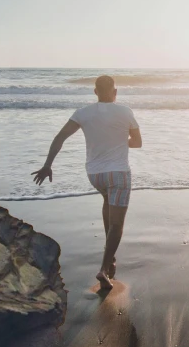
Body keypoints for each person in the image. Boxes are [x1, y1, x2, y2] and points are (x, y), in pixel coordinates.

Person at [32, 75, 142, 289]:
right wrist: (118, 141)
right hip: (118, 173)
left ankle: (110, 258)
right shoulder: (125, 111)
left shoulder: (82, 113)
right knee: (117, 223)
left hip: (95, 174)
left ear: (95, 92)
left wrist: (47, 165)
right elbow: (137, 142)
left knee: (107, 203)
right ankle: (104, 267)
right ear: (115, 92)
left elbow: (59, 137)